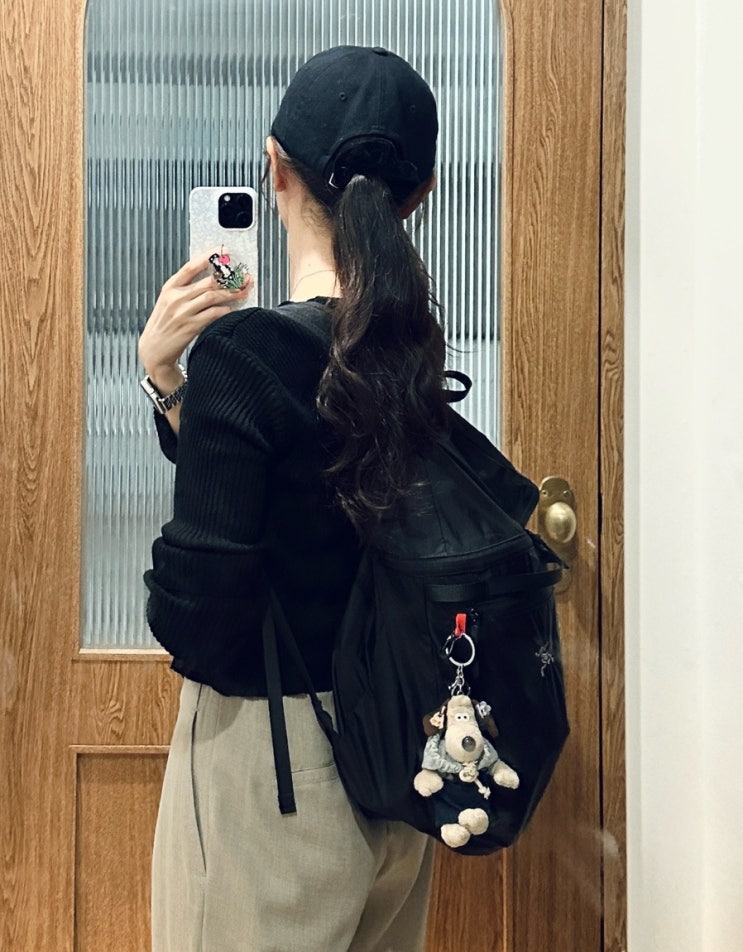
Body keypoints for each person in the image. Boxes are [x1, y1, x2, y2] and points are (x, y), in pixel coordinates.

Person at [139, 46, 449, 952]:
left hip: (273, 768)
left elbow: (198, 620)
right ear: (419, 196)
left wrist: (168, 372)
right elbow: (311, 494)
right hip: (395, 762)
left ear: (274, 168)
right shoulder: (414, 356)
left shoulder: (248, 354)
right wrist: (177, 393)